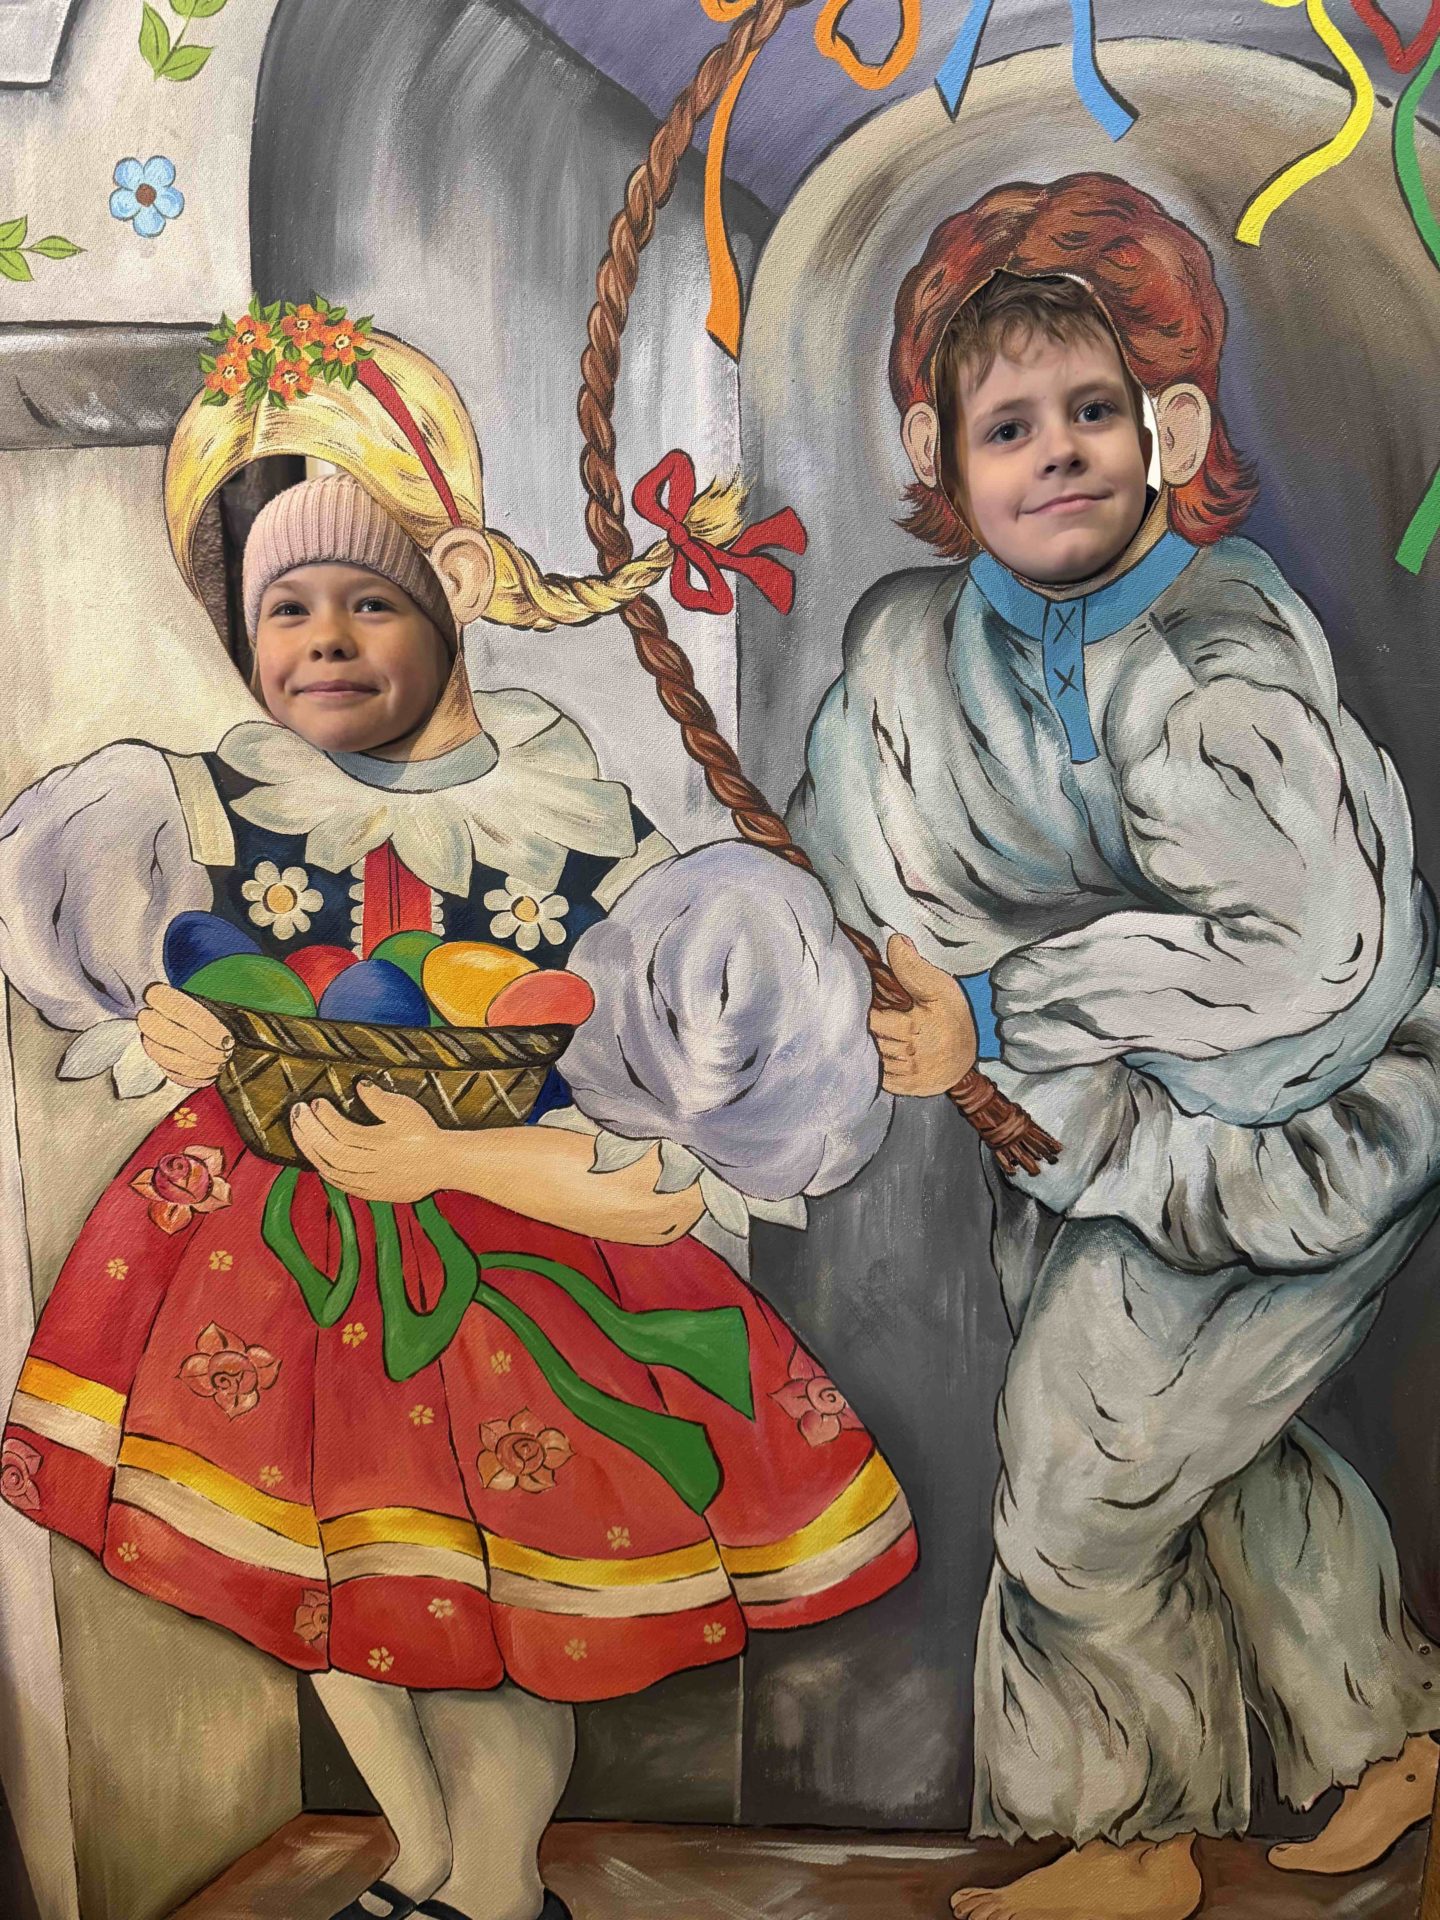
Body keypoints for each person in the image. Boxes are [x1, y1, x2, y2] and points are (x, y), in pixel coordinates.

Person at [0, 304, 914, 1920]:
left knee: (488, 1635)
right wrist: (179, 1031)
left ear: (465, 586)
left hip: (513, 1279)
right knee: (333, 1605)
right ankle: (417, 1853)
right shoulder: (208, 811)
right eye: (283, 608)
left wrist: (443, 1158)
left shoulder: (582, 842)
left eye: (369, 599)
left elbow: (657, 1181)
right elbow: (193, 991)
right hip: (272, 1279)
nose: (323, 641)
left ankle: (494, 1887)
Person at [788, 174, 1440, 1920]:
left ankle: (1127, 1837)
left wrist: (1002, 1012)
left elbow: (1301, 948)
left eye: (1095, 409)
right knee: (1223, 1459)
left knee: (1081, 1476)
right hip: (1076, 1134)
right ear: (940, 454)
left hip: (1295, 1128)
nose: (1058, 452)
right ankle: (1384, 1737)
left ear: (1173, 430)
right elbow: (849, 860)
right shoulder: (911, 650)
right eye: (1008, 425)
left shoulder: (1220, 651)